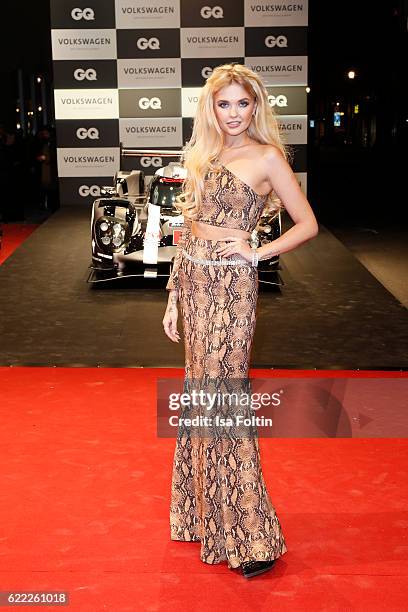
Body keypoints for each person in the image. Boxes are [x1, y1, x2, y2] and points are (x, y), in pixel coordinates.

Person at [162, 63, 319, 578]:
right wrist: (172, 294)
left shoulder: (267, 156)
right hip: (194, 281)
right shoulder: (204, 152)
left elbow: (309, 224)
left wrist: (259, 252)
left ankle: (250, 537)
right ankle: (204, 514)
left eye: (242, 104)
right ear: (211, 107)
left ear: (257, 106)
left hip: (231, 289)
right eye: (223, 103)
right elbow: (188, 226)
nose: (233, 114)